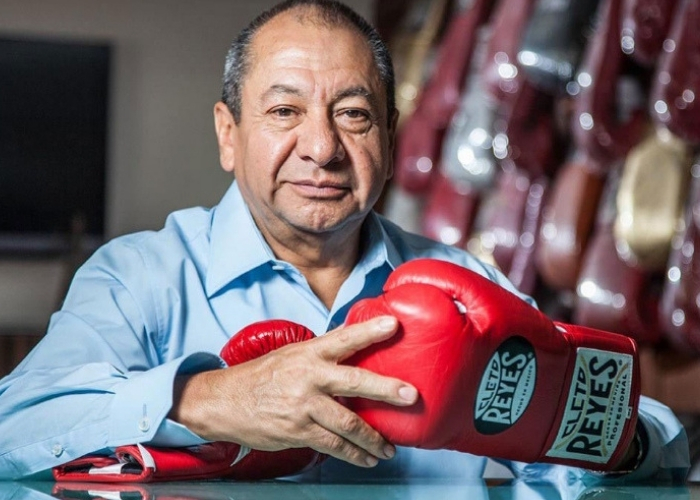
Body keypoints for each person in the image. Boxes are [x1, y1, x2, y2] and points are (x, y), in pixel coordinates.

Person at [0, 0, 689, 483]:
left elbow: (653, 436)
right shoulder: (140, 275)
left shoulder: (455, 276)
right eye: (284, 111)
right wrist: (210, 400)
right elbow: (13, 427)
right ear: (228, 134)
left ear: (388, 138)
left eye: (353, 114)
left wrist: (600, 434)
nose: (323, 148)